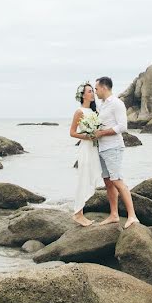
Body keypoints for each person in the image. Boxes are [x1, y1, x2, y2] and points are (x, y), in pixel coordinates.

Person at [92, 76, 140, 228]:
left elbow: (122, 127)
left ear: (104, 88)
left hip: (113, 147)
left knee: (117, 180)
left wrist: (102, 133)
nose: (95, 91)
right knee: (108, 182)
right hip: (102, 148)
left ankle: (132, 216)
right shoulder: (103, 105)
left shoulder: (117, 104)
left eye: (96, 88)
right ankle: (114, 215)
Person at [69, 81, 103, 227]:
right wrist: (86, 136)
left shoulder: (95, 112)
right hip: (85, 148)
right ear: (83, 95)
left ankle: (80, 212)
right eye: (89, 91)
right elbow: (72, 133)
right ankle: (78, 213)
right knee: (83, 178)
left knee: (90, 178)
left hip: (94, 149)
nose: (92, 93)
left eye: (92, 91)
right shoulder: (79, 112)